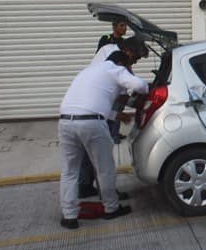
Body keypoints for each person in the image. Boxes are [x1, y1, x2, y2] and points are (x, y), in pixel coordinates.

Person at [59, 50, 149, 229]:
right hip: (92, 124)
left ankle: (69, 216)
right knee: (104, 168)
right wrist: (138, 83)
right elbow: (141, 86)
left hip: (65, 122)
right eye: (130, 65)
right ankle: (111, 208)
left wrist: (117, 115)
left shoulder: (87, 71)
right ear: (122, 63)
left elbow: (89, 103)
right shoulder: (115, 69)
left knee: (69, 171)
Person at [78, 35, 149, 199]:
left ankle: (86, 185)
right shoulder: (109, 55)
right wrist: (143, 94)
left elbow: (122, 92)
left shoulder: (119, 61)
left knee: (92, 148)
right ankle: (106, 193)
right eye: (136, 58)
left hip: (95, 106)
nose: (136, 62)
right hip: (98, 106)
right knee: (102, 152)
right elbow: (116, 89)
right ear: (128, 51)